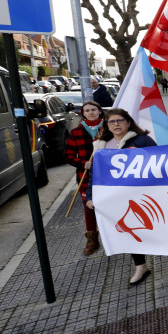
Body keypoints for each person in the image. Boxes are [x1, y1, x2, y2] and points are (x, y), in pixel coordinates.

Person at [86, 108, 168, 285]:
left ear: (128, 122)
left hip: (146, 195)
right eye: (112, 121)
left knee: (160, 227)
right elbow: (94, 175)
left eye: (120, 121)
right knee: (130, 232)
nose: (116, 124)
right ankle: (141, 267)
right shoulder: (101, 145)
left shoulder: (142, 140)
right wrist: (90, 196)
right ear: (107, 125)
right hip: (117, 199)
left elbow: (160, 162)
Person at [64, 100, 104, 256]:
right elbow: (68, 156)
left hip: (107, 177)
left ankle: (115, 237)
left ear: (99, 111)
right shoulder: (76, 132)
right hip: (85, 177)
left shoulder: (107, 129)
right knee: (89, 208)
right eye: (87, 110)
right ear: (83, 113)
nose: (91, 112)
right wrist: (82, 163)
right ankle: (92, 240)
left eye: (93, 109)